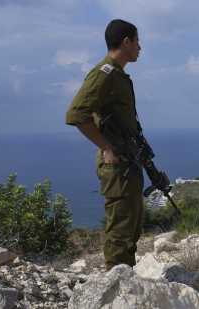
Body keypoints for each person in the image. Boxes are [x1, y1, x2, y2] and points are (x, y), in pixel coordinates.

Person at [65, 19, 143, 270]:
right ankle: (117, 284)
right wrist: (107, 147)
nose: (140, 47)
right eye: (137, 41)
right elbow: (76, 114)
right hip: (117, 164)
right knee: (120, 228)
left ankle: (126, 278)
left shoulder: (118, 75)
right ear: (126, 42)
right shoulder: (104, 73)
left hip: (127, 161)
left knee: (131, 225)